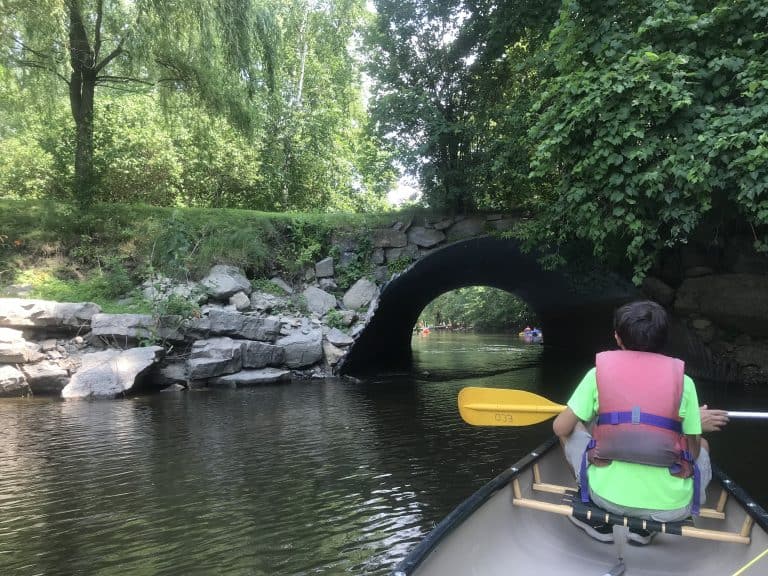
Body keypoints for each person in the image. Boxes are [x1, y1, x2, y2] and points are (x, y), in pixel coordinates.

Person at [553, 300, 729, 545]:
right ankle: (645, 529)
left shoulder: (597, 375)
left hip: (606, 498)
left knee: (572, 428)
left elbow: (559, 428)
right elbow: (693, 450)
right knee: (703, 446)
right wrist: (693, 425)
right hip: (671, 509)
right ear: (664, 339)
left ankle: (597, 517)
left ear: (617, 337)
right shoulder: (685, 382)